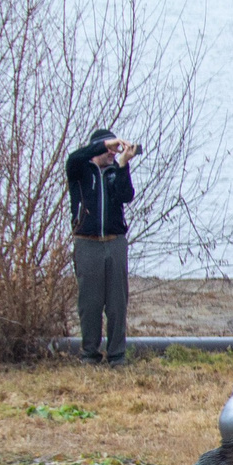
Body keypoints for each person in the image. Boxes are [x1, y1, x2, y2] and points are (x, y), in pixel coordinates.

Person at [67, 128, 137, 366]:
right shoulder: (80, 170)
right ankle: (90, 354)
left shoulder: (114, 172)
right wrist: (107, 143)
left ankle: (117, 355)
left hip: (115, 242)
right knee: (90, 304)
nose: (112, 153)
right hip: (87, 243)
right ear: (98, 147)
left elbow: (127, 195)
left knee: (117, 303)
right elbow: (74, 157)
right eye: (108, 149)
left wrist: (123, 165)